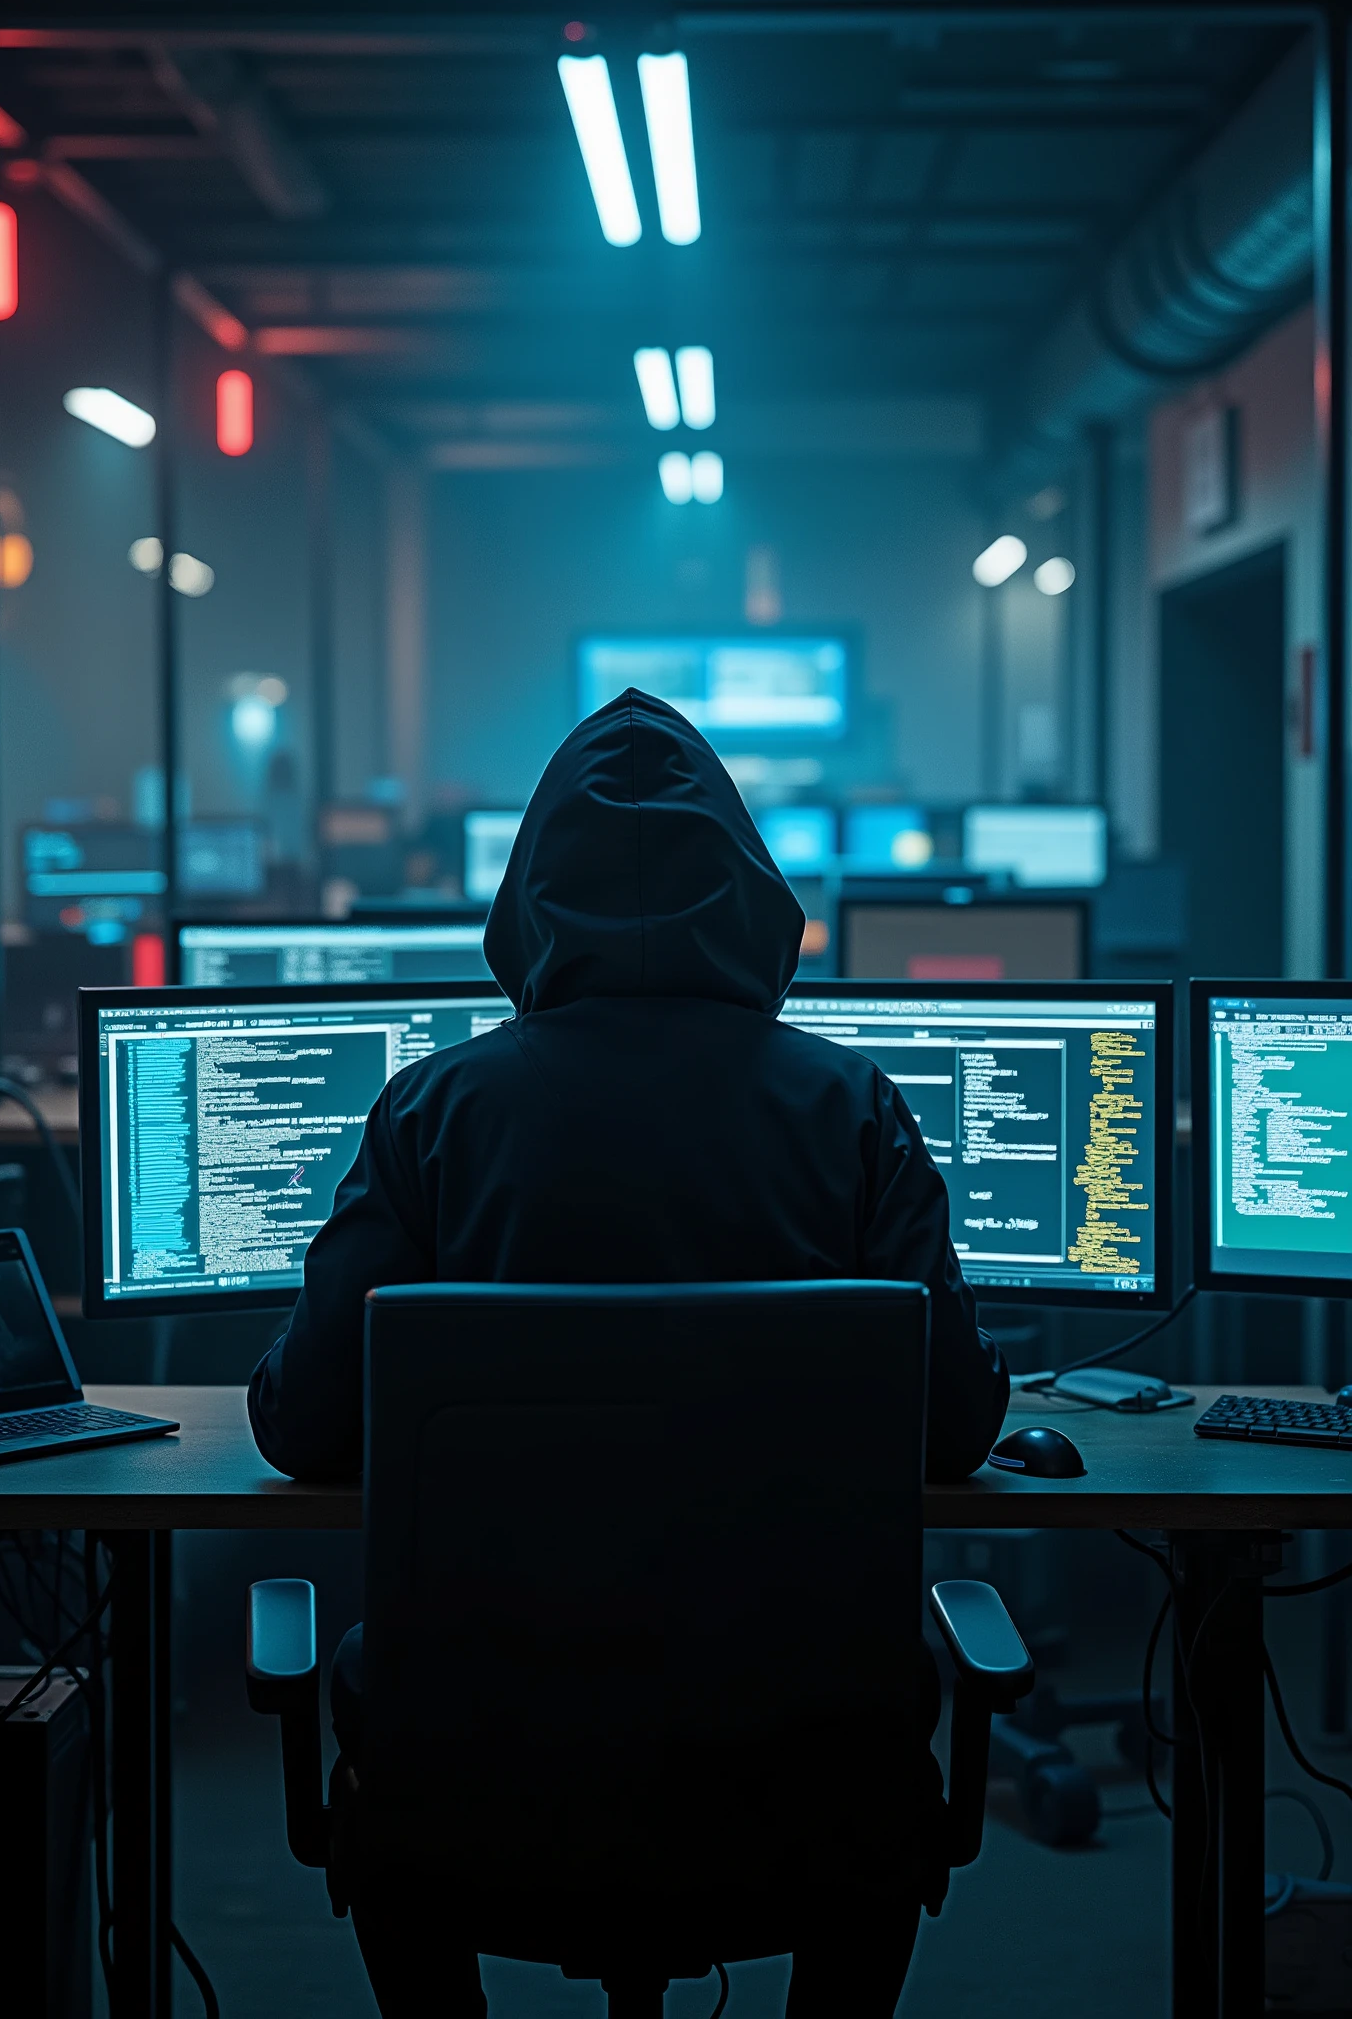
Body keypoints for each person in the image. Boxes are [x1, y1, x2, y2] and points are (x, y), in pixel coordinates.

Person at [249, 687, 1008, 2017]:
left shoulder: (438, 1112)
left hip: (480, 1762)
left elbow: (298, 1430)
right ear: (754, 896)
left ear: (527, 901)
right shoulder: (851, 1111)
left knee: (383, 1683)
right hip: (807, 1763)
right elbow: (953, 1433)